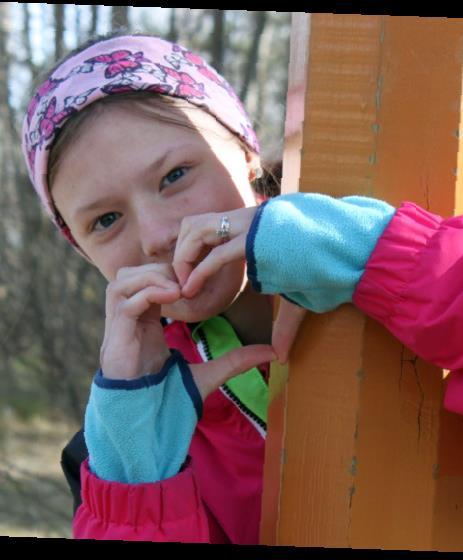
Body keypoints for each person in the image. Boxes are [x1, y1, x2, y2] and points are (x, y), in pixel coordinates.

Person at [22, 31, 463, 543]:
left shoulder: (414, 231)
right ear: (83, 251)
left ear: (247, 156)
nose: (158, 236)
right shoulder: (112, 449)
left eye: (175, 175)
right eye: (106, 220)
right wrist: (137, 476)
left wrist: (378, 257)